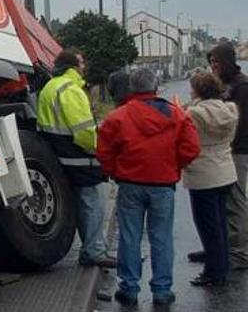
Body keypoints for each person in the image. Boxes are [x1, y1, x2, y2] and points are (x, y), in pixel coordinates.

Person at [97, 68, 200, 306]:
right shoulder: (177, 115)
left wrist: (115, 171)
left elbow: (104, 151)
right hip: (163, 185)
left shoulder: (118, 117)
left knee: (129, 236)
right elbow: (191, 148)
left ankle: (129, 287)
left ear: (133, 88)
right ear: (156, 87)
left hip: (130, 184)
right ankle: (162, 290)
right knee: (161, 237)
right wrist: (173, 166)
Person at [37, 49, 115, 268]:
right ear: (72, 66)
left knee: (82, 204)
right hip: (79, 157)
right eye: (81, 62)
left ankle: (90, 250)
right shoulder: (71, 89)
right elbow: (83, 132)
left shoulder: (49, 87)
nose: (84, 66)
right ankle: (94, 251)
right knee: (93, 205)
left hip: (59, 156)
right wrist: (100, 149)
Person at [189, 43, 248, 270]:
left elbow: (239, 123)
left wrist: (226, 143)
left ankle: (240, 253)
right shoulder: (230, 85)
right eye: (211, 62)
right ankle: (218, 249)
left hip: (238, 151)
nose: (214, 67)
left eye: (217, 63)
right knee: (220, 207)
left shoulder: (242, 86)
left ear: (227, 62)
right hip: (227, 151)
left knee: (236, 203)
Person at [183, 72, 239, 286]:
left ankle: (214, 271)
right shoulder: (230, 110)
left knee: (207, 223)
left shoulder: (194, 113)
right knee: (220, 221)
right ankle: (221, 260)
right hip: (225, 169)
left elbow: (186, 137)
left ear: (198, 91)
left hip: (203, 172)